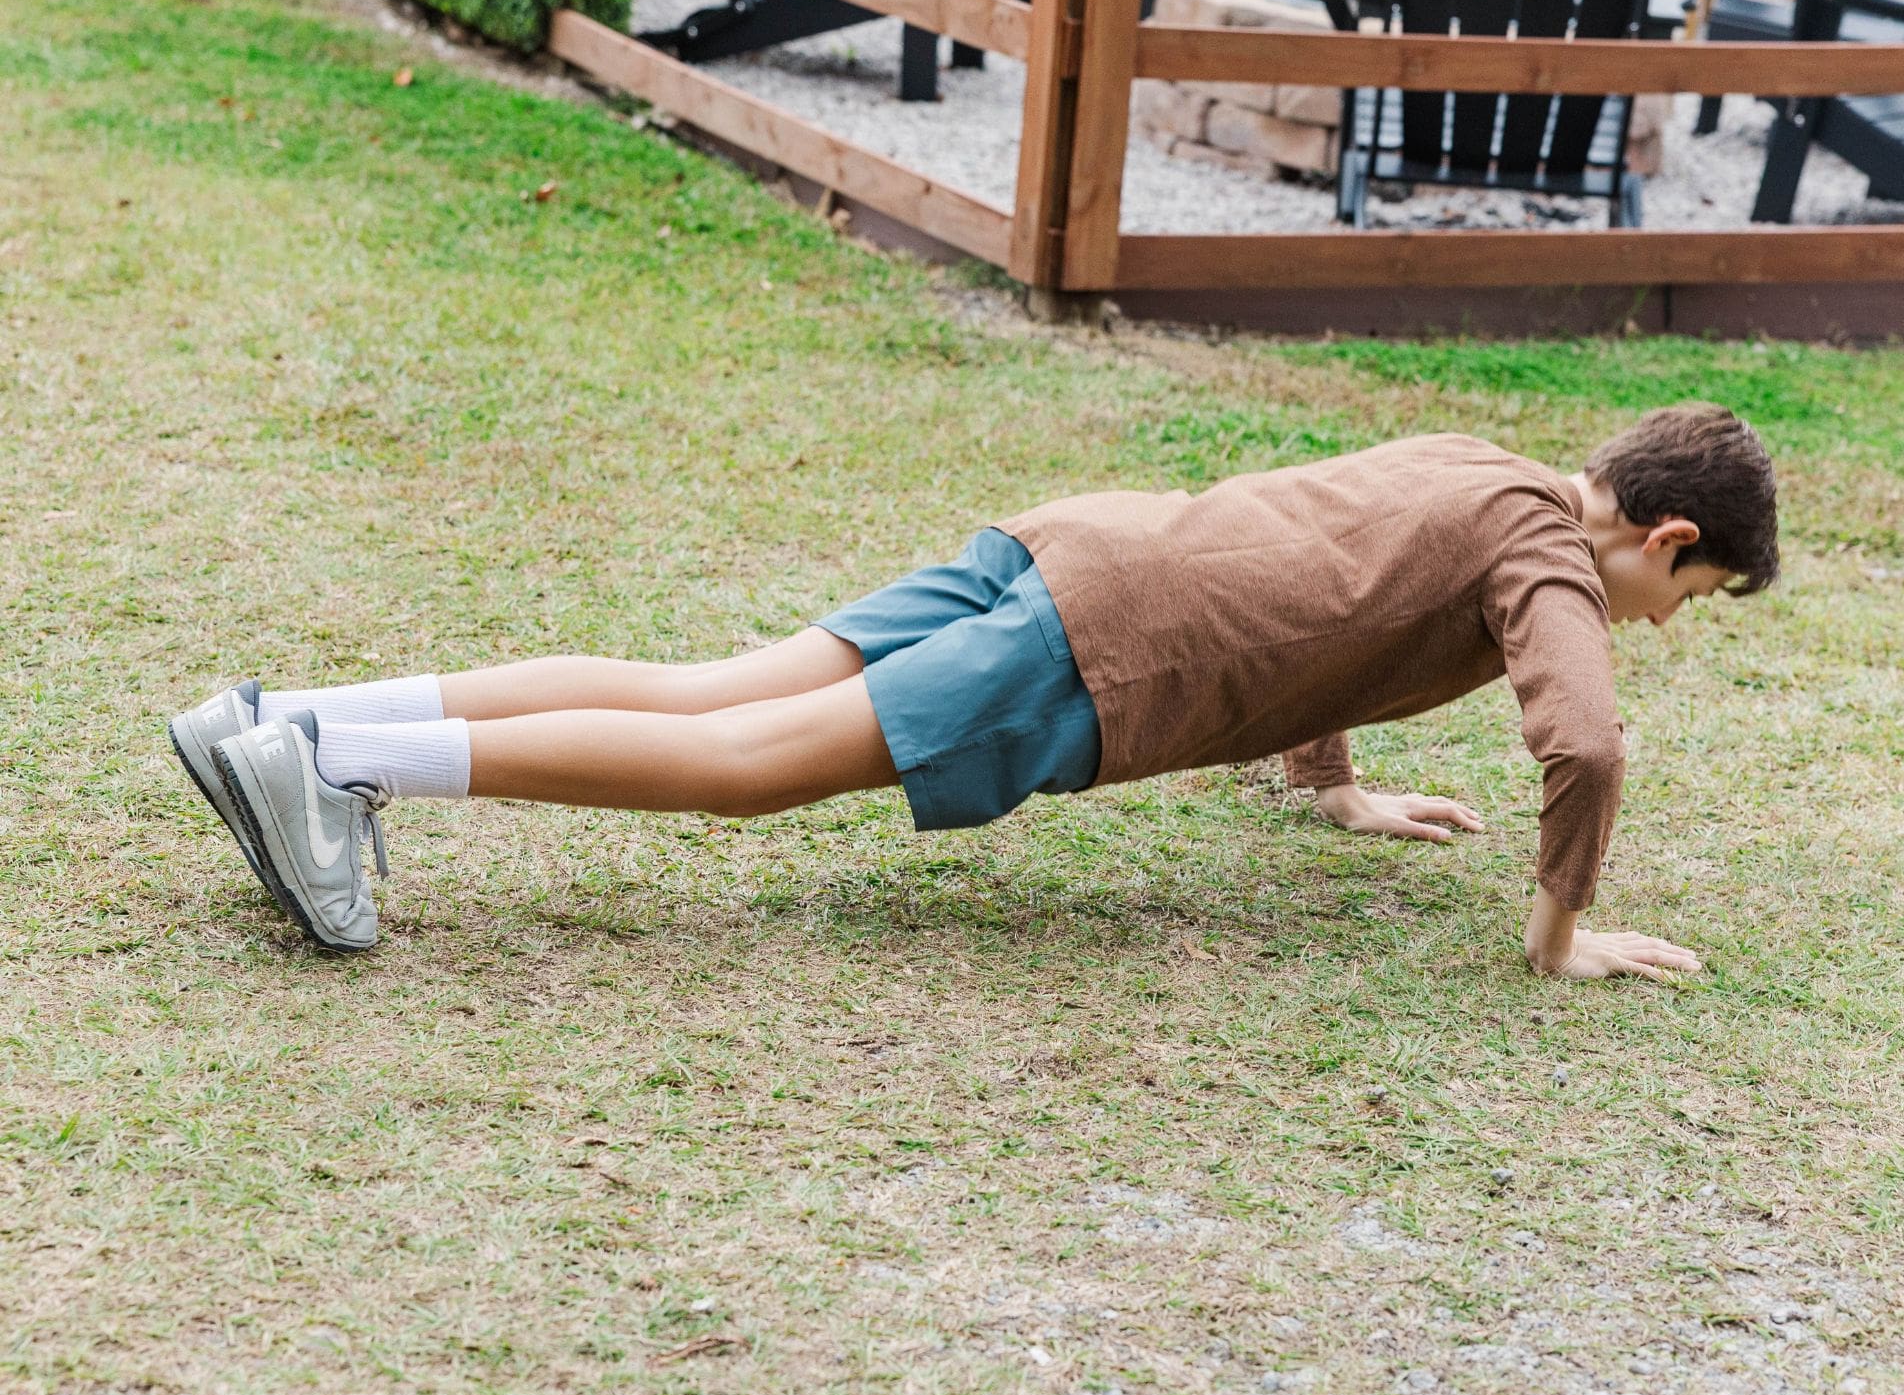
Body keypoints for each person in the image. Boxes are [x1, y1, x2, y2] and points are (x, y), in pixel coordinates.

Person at [169, 403, 1778, 977]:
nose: (1660, 620)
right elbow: (1583, 743)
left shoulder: (1481, 469)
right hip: (1105, 645)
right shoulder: (1559, 565)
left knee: (705, 683)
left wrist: (1329, 780)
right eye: (1685, 597)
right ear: (1667, 535)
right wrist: (1557, 934)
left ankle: (292, 724)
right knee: (742, 764)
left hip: (1067, 553)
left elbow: (1333, 588)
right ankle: (344, 778)